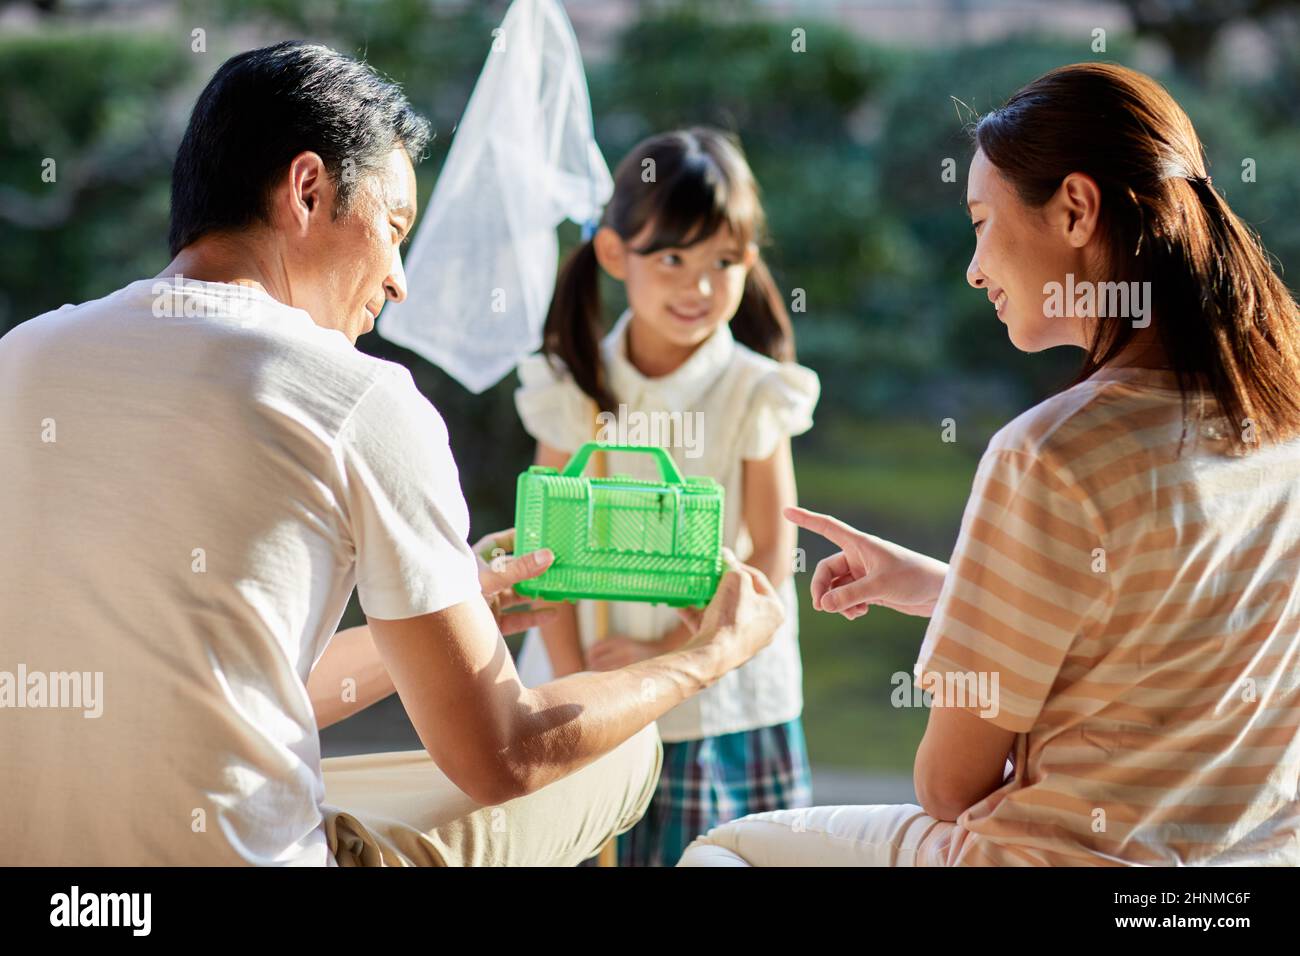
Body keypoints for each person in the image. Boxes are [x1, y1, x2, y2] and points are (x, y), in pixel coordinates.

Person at [0, 42, 785, 866]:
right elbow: (504, 755)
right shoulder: (359, 399)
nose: (399, 279)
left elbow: (240, 687)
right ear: (307, 190)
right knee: (622, 746)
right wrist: (707, 656)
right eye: (396, 227)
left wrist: (461, 601)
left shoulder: (21, 359)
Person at [679, 62, 1300, 867]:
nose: (974, 268)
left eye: (981, 221)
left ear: (1075, 208)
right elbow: (1164, 633)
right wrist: (955, 589)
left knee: (726, 850)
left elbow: (949, 788)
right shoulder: (1278, 418)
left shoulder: (1051, 452)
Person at [513, 128, 819, 866]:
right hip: (585, 687)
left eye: (723, 261)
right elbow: (540, 549)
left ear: (749, 262)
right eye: (673, 258)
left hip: (716, 705)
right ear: (616, 256)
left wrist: (675, 649)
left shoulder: (752, 388)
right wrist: (575, 672)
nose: (700, 286)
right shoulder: (575, 385)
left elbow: (774, 547)